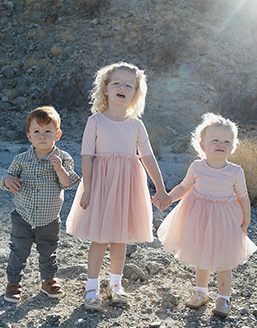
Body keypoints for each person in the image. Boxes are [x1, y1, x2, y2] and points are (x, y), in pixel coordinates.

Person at [64, 62, 170, 310]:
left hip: (127, 187)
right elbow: (87, 157)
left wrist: (161, 189)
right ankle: (91, 287)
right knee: (99, 238)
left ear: (135, 93)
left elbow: (148, 157)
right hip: (101, 185)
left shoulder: (136, 125)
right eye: (117, 83)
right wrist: (88, 189)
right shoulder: (96, 121)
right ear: (106, 89)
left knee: (120, 238)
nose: (123, 87)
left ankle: (116, 284)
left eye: (129, 85)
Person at [155, 113, 257, 317]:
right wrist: (167, 198)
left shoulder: (235, 171)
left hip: (225, 219)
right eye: (215, 140)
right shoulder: (197, 167)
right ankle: (201, 293)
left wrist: (246, 221)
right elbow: (184, 187)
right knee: (202, 256)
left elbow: (244, 198)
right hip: (199, 217)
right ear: (202, 146)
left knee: (223, 261)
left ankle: (223, 299)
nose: (221, 144)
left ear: (233, 147)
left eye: (227, 141)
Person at [0, 106, 81, 303]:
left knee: (48, 251)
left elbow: (68, 183)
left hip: (49, 218)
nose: (42, 136)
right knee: (18, 250)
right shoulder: (21, 159)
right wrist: (8, 181)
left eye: (47, 132)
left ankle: (48, 280)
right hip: (23, 215)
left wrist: (59, 169)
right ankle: (13, 283)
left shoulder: (63, 158)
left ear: (57, 134)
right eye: (37, 131)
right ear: (29, 136)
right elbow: (8, 178)